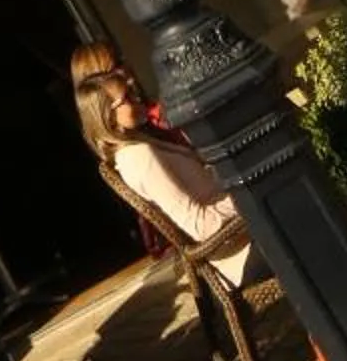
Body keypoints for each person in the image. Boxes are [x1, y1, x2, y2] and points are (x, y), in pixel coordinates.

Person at [69, 44, 251, 284]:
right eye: (127, 97)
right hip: (239, 255)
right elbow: (200, 226)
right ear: (108, 114)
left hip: (245, 235)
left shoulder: (142, 142)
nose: (135, 91)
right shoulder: (139, 157)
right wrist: (247, 196)